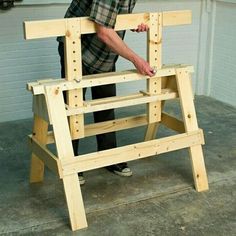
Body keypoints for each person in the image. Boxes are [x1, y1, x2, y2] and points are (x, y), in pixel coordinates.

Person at [58, 0, 155, 185]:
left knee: (106, 103)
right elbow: (103, 31)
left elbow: (113, 17)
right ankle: (72, 162)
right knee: (73, 107)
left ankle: (109, 156)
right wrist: (136, 60)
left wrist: (130, 23)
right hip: (78, 46)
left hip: (105, 54)